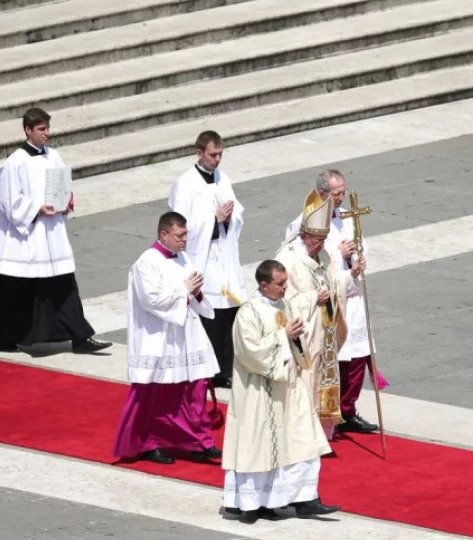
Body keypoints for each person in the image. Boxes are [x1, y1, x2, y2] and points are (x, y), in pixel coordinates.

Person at [0, 107, 111, 354]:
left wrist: (67, 201)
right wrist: (37, 209)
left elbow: (62, 186)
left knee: (64, 283)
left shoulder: (54, 156)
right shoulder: (14, 163)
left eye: (48, 128)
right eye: (41, 129)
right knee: (14, 289)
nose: (47, 134)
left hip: (52, 234)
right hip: (28, 236)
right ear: (27, 130)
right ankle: (0, 336)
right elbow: (9, 202)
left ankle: (80, 338)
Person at [222, 260, 340, 522]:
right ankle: (254, 503)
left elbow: (298, 310)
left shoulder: (283, 303)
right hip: (259, 392)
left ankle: (306, 499)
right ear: (264, 286)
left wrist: (312, 301)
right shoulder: (248, 313)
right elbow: (249, 351)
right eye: (280, 283)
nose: (286, 288)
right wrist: (282, 336)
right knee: (259, 446)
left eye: (286, 282)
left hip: (288, 387)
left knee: (303, 439)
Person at [112, 212, 222, 465]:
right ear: (163, 234)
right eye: (180, 235)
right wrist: (184, 290)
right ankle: (150, 443)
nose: (185, 241)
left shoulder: (182, 257)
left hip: (185, 336)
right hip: (157, 338)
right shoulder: (146, 263)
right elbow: (150, 300)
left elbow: (193, 289)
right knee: (156, 393)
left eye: (186, 235)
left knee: (192, 389)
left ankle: (197, 442)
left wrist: (196, 292)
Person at [284, 170, 387, 434]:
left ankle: (348, 410)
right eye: (336, 193)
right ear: (321, 193)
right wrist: (337, 254)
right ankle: (331, 413)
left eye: (343, 191)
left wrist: (359, 257)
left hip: (350, 292)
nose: (341, 198)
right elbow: (302, 254)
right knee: (335, 357)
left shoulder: (346, 216)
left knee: (357, 356)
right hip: (328, 297)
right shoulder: (304, 221)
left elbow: (361, 242)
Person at [275, 190, 363, 440]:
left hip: (323, 332)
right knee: (304, 384)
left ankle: (321, 435)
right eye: (317, 239)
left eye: (324, 238)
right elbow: (281, 302)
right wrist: (314, 298)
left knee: (322, 382)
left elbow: (335, 283)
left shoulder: (322, 254)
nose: (322, 245)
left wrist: (352, 275)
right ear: (303, 235)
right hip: (304, 336)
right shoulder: (287, 260)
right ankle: (301, 435)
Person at [168, 130, 246, 389]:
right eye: (213, 154)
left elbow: (238, 211)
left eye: (220, 154)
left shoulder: (224, 179)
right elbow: (179, 225)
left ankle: (225, 369)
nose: (217, 160)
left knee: (229, 312)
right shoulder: (186, 183)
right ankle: (207, 370)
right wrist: (214, 221)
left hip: (225, 254)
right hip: (203, 257)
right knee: (210, 313)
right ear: (199, 153)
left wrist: (230, 217)